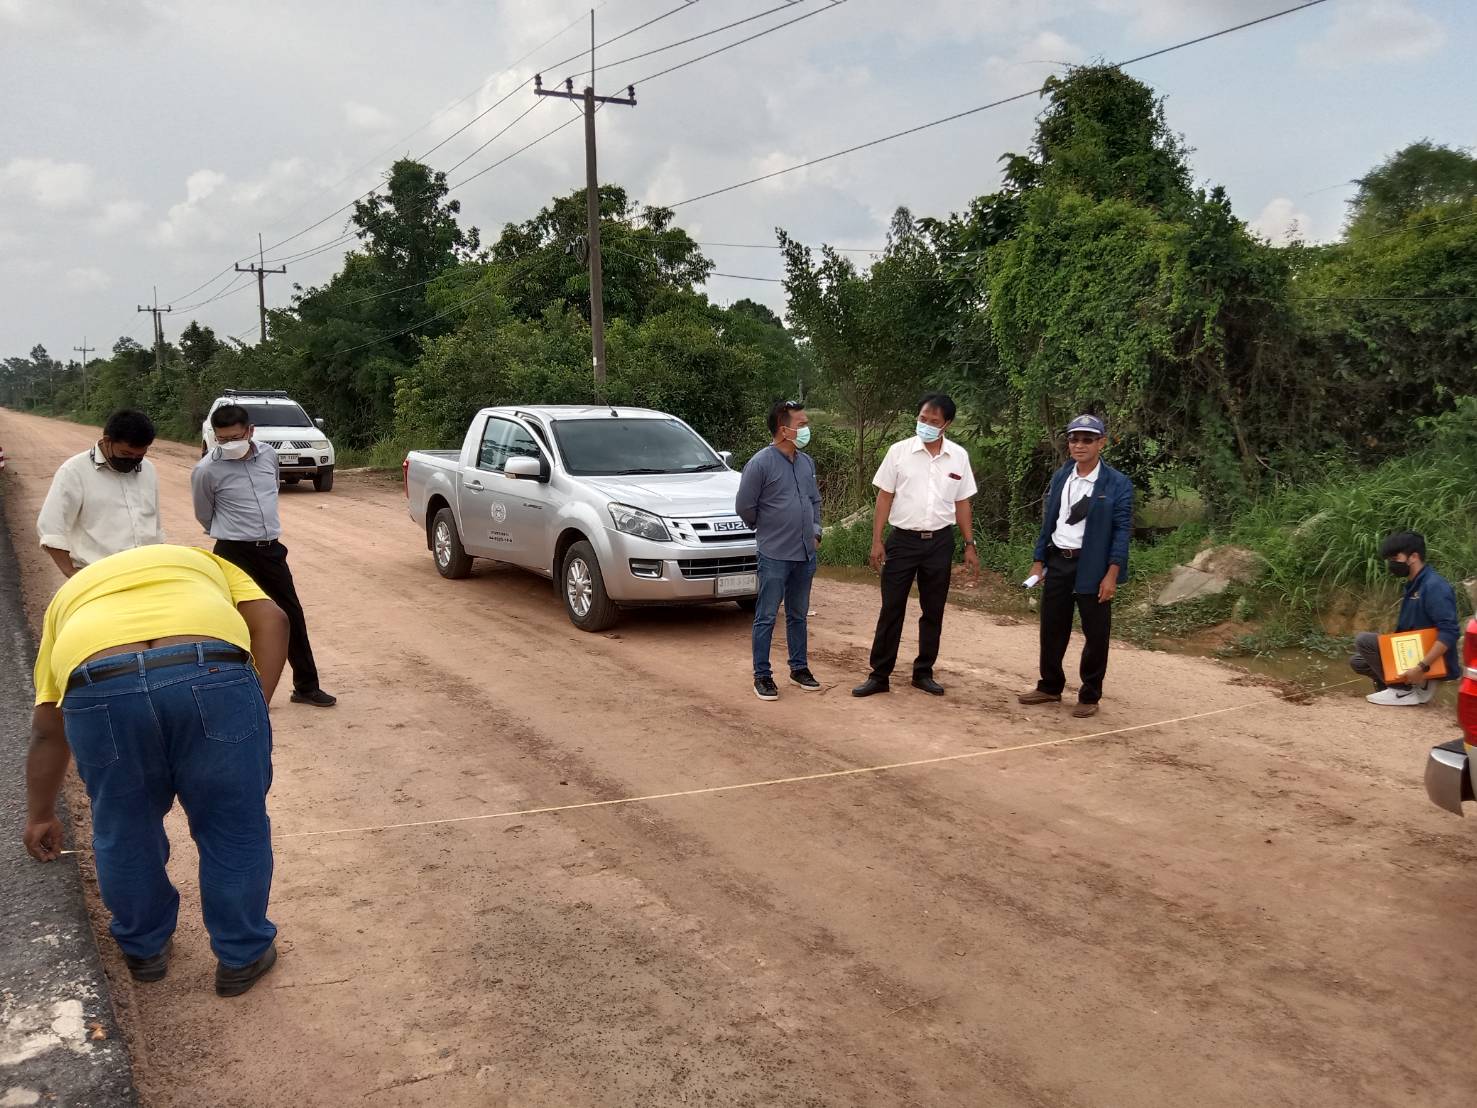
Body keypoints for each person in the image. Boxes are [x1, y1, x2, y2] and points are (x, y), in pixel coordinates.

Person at [23, 544, 289, 997]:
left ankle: (144, 949)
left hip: (99, 682)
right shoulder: (201, 560)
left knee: (124, 827)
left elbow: (48, 728)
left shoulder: (70, 596)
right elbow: (273, 619)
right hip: (210, 670)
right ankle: (241, 956)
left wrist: (41, 814)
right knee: (233, 825)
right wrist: (250, 708)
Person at [192, 404, 336, 708]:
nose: (228, 444)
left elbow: (271, 489)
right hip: (233, 553)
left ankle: (306, 687)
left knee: (290, 616)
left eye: (234, 437)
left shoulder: (269, 455)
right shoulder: (206, 470)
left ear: (250, 431)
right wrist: (233, 529)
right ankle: (240, 691)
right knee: (237, 622)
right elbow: (204, 513)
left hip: (270, 550)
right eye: (222, 439)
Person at [853, 393, 979, 698]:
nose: (926, 424)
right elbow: (884, 497)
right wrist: (877, 540)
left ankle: (923, 672)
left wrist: (969, 544)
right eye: (923, 418)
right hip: (902, 541)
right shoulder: (899, 452)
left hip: (940, 542)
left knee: (933, 610)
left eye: (934, 421)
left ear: (947, 424)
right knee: (891, 608)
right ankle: (879, 675)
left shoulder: (958, 456)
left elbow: (962, 502)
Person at [1017, 415, 1134, 719]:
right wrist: (1039, 561)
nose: (1079, 445)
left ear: (1101, 443)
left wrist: (1112, 574)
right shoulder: (1062, 476)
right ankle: (1049, 685)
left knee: (1096, 633)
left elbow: (1122, 531)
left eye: (1087, 439)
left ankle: (1090, 694)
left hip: (1093, 566)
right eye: (1074, 439)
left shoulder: (1116, 483)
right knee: (1052, 627)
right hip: (1059, 561)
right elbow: (1049, 522)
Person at [736, 400, 823, 701]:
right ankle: (762, 675)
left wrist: (816, 531)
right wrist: (766, 528)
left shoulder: (806, 462)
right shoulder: (760, 464)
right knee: (767, 615)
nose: (806, 429)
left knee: (798, 614)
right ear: (784, 430)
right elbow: (744, 506)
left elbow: (814, 501)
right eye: (802, 424)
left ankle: (799, 668)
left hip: (805, 553)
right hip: (774, 553)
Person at [36, 409, 165, 578]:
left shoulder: (148, 470)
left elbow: (155, 526)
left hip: (146, 574)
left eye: (140, 455)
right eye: (126, 454)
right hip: (99, 577)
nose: (132, 460)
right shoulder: (74, 471)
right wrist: (70, 572)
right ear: (107, 441)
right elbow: (51, 527)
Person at [1350, 531, 1461, 706]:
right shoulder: (1414, 585)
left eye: (1395, 558)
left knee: (1364, 640)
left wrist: (1421, 667)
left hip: (1427, 662)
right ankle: (1396, 687)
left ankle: (1403, 690)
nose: (1392, 563)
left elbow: (1449, 632)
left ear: (1413, 557)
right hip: (1412, 653)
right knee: (1358, 661)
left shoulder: (1434, 586)